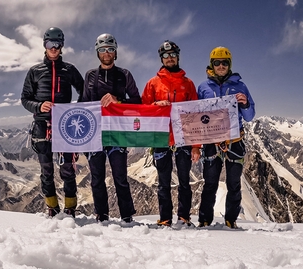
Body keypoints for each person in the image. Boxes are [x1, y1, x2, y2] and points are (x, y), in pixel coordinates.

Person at [21, 27, 84, 217]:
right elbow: (25, 99)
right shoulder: (35, 71)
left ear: (62, 46)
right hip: (42, 125)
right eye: (50, 44)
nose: (54, 48)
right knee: (46, 169)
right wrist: (39, 106)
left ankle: (70, 208)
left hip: (65, 124)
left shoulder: (70, 70)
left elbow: (84, 91)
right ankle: (52, 207)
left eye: (57, 44)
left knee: (68, 168)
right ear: (44, 45)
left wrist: (75, 109)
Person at [81, 33, 141, 223]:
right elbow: (82, 102)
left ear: (115, 52)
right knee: (97, 177)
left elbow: (137, 101)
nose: (106, 53)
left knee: (120, 176)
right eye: (102, 50)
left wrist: (119, 100)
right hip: (95, 133)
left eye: (110, 50)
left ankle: (127, 215)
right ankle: (102, 214)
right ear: (98, 53)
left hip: (117, 132)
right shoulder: (90, 75)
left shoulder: (125, 75)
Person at [142, 40, 201, 227]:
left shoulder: (188, 84)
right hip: (161, 137)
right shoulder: (153, 83)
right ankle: (165, 218)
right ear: (161, 58)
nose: (169, 58)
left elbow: (196, 115)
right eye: (166, 56)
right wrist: (154, 106)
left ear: (178, 57)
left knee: (184, 181)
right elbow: (143, 109)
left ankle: (184, 217)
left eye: (172, 55)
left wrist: (196, 146)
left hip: (183, 138)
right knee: (164, 182)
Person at [197, 46, 255, 228]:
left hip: (234, 140)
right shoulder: (203, 87)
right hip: (212, 141)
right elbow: (196, 115)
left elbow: (250, 116)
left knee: (234, 183)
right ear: (212, 64)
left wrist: (245, 104)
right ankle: (205, 219)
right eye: (217, 63)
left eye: (224, 63)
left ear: (229, 64)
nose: (221, 66)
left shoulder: (241, 87)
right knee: (210, 183)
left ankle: (231, 219)